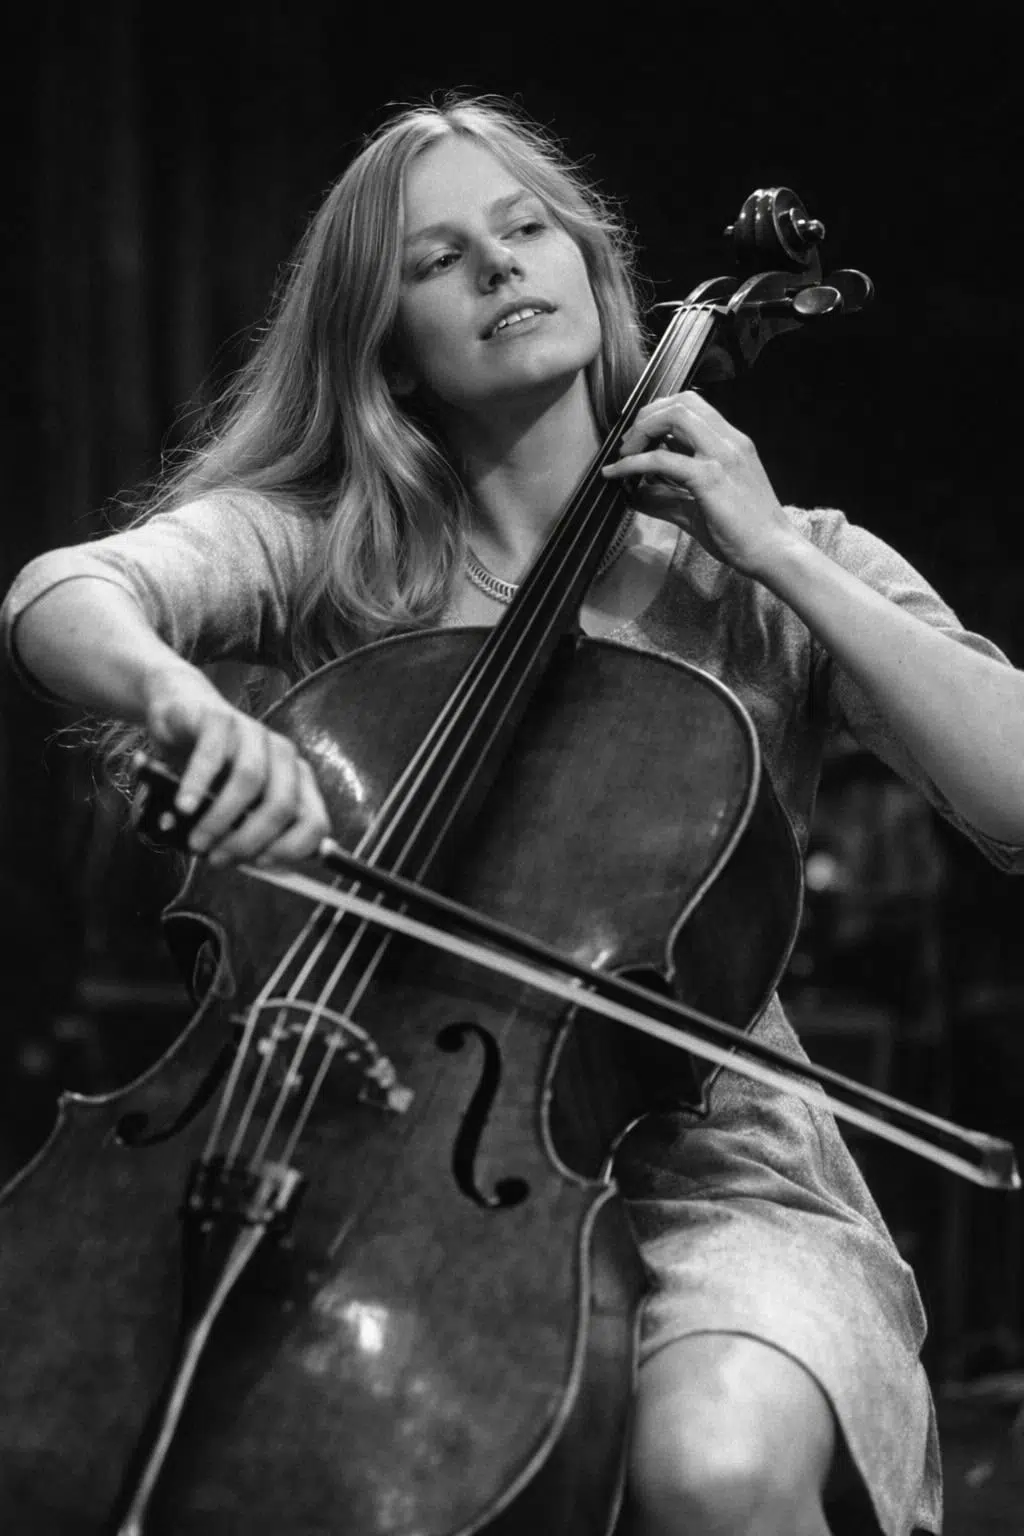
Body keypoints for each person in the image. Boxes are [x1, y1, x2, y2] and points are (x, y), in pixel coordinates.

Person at [4, 92, 1024, 1536]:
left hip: (713, 1167)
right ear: (386, 349)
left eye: (527, 227)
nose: (498, 268)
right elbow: (62, 593)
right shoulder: (327, 552)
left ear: (598, 274)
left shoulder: (781, 563)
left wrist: (780, 557)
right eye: (436, 261)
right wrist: (186, 708)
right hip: (333, 1150)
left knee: (715, 1476)